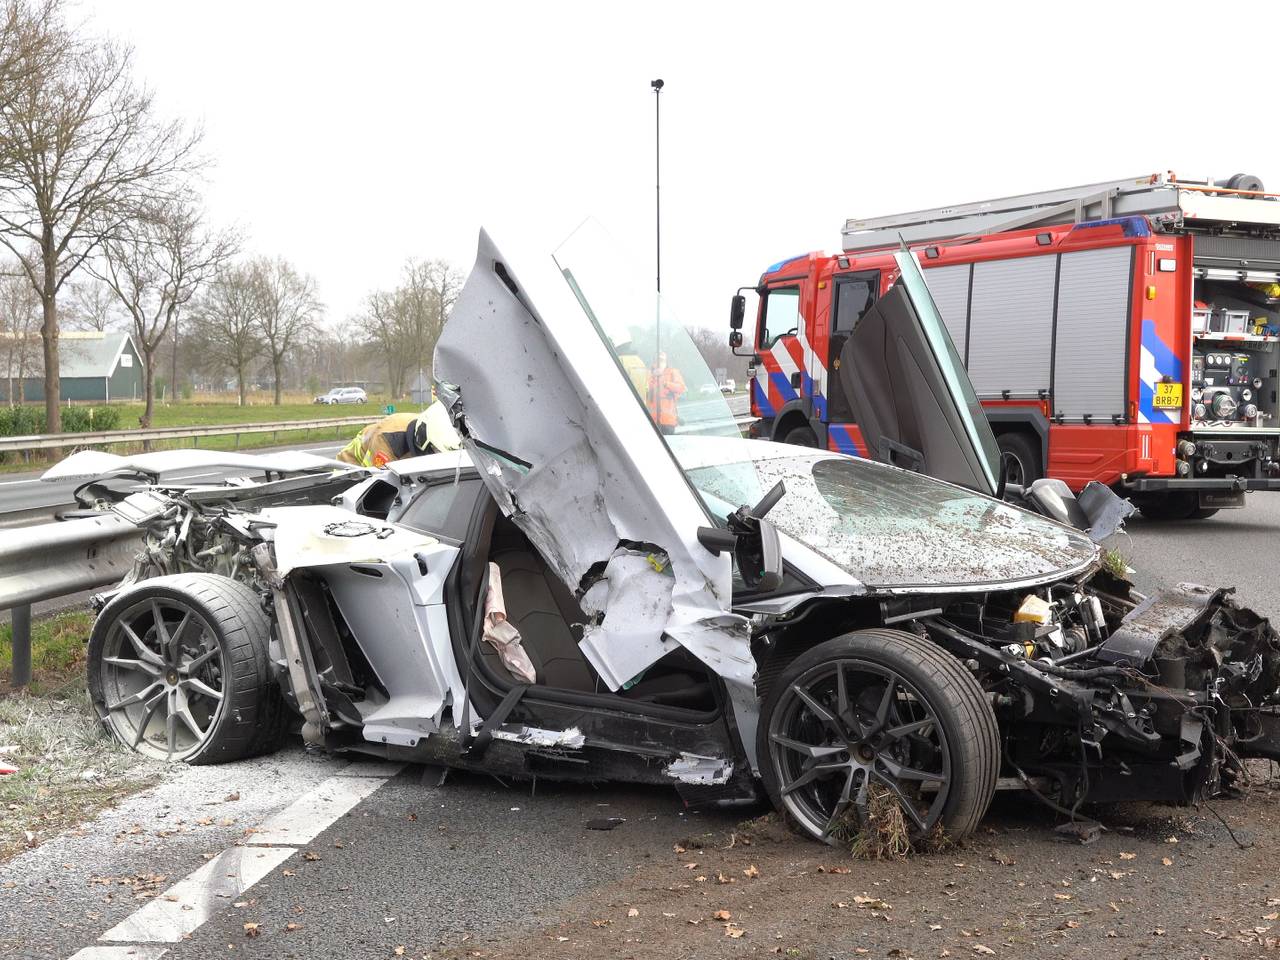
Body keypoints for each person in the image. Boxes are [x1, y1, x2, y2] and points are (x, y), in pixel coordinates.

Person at [336, 400, 462, 467]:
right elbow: (384, 484)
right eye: (436, 452)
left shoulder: (433, 424)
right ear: (425, 443)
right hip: (350, 469)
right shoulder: (387, 442)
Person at [646, 351, 686, 435]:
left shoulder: (672, 372)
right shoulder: (649, 374)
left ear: (666, 361)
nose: (659, 362)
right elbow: (645, 391)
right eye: (658, 360)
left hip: (668, 421)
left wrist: (666, 383)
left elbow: (681, 388)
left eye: (662, 360)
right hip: (652, 421)